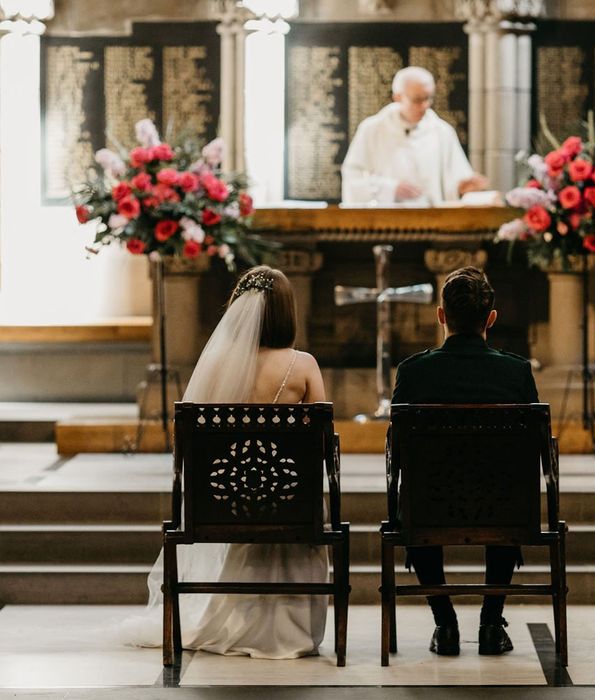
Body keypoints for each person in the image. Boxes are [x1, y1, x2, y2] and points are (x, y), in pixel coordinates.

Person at [121, 265, 329, 659]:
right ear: (287, 313)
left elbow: (187, 445)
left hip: (224, 503)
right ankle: (294, 630)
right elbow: (321, 442)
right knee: (296, 495)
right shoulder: (303, 366)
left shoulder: (216, 365)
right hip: (290, 503)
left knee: (255, 496)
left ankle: (235, 615)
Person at [391, 266, 539, 657]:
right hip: (504, 506)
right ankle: (491, 622)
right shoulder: (516, 372)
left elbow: (399, 450)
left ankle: (445, 623)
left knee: (417, 494)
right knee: (507, 485)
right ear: (491, 318)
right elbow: (535, 449)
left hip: (430, 506)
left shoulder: (413, 372)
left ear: (441, 315)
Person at [341, 66, 488, 206]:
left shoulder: (442, 132)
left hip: (432, 222)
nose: (425, 106)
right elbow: (352, 178)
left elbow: (455, 183)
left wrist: (462, 188)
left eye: (429, 98)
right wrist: (390, 188)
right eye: (418, 100)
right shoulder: (371, 129)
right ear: (398, 97)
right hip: (386, 222)